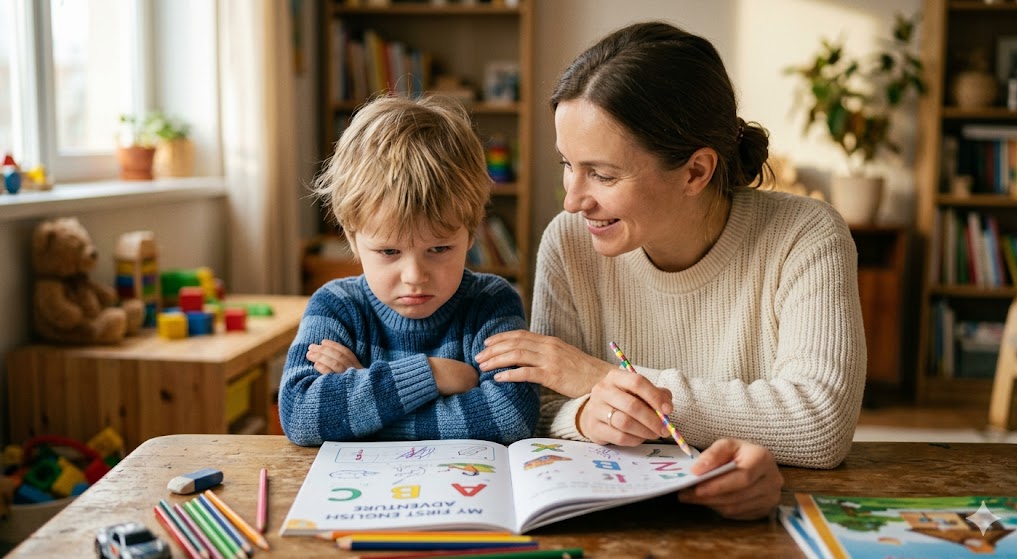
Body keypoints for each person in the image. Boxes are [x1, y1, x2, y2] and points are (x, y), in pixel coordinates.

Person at [474, 21, 866, 519]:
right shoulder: (569, 244)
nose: (573, 200)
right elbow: (545, 404)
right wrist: (590, 414)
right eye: (567, 165)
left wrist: (598, 377)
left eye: (602, 173)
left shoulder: (805, 237)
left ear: (696, 172)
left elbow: (820, 424)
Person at [279, 95, 539, 447]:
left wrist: (362, 393)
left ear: (471, 233)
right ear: (353, 240)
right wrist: (432, 374)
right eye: (389, 251)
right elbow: (300, 414)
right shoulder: (336, 305)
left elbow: (510, 416)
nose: (415, 275)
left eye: (439, 249)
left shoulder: (491, 302)